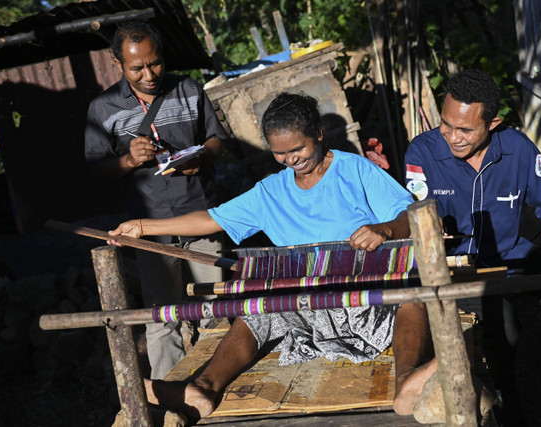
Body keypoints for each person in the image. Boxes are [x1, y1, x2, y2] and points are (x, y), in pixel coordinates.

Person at [108, 92, 437, 419]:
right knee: (258, 311)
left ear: (318, 134)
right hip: (310, 309)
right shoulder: (271, 192)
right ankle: (204, 387)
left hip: (368, 300)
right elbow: (213, 218)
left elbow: (412, 213)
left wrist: (385, 230)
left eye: (298, 149)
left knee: (413, 297)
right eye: (280, 154)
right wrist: (141, 226)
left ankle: (407, 380)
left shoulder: (355, 171)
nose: (291, 159)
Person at [404, 69, 541, 420]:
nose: (451, 136)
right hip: (462, 265)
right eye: (446, 124)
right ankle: (509, 404)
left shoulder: (518, 149)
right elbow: (419, 213)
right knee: (503, 333)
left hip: (512, 254)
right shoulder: (422, 152)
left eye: (465, 129)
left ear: (493, 123)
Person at [85, 21, 227, 380]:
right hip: (149, 231)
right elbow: (98, 170)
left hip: (201, 219)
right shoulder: (102, 109)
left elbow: (216, 140)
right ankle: (172, 395)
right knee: (162, 319)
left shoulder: (189, 89)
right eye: (137, 68)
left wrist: (201, 158)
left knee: (219, 310)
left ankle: (224, 384)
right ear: (117, 63)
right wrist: (128, 160)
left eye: (155, 63)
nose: (149, 74)